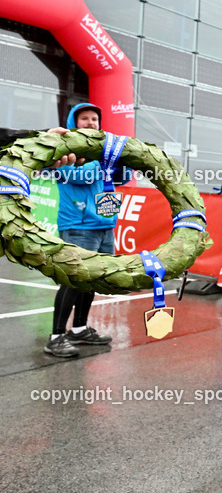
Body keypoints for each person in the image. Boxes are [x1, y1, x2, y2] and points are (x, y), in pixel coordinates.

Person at [44, 103, 131, 358]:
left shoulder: (103, 152)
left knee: (91, 279)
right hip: (78, 226)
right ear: (74, 122)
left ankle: (79, 329)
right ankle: (56, 337)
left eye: (94, 118)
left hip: (104, 225)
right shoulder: (63, 149)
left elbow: (122, 178)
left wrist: (123, 164)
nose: (91, 122)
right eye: (85, 118)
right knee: (73, 280)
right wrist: (107, 162)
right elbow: (78, 176)